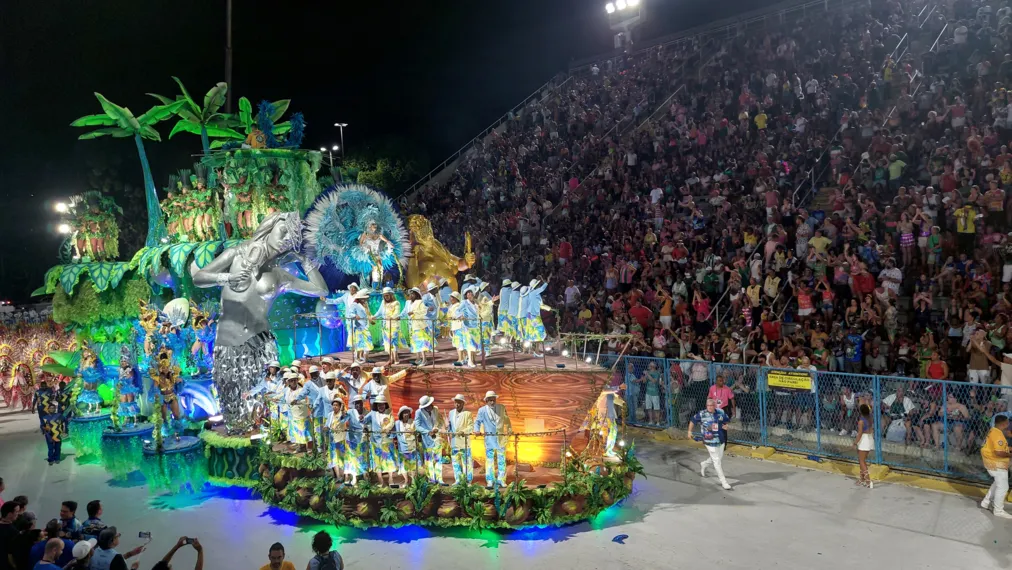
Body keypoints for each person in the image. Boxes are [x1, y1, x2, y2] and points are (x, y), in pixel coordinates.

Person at [687, 398, 732, 490]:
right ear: (706, 406)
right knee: (717, 461)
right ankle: (724, 482)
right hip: (709, 440)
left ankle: (704, 464)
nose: (710, 407)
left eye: (712, 405)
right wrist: (689, 431)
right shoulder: (702, 414)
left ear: (714, 406)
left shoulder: (720, 412)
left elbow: (726, 421)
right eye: (708, 406)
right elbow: (692, 421)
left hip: (720, 439)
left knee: (718, 458)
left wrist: (726, 426)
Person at [474, 391, 512, 488]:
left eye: (493, 399)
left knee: (501, 460)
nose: (492, 402)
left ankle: (501, 480)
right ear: (486, 400)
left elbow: (507, 420)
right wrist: (477, 430)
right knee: (489, 461)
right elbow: (477, 422)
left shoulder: (501, 407)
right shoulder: (482, 410)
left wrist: (509, 430)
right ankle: (490, 480)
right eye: (490, 400)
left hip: (501, 439)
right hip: (489, 439)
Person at [980, 415, 1012, 518]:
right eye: (1008, 422)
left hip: (992, 462)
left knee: (997, 483)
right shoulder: (998, 435)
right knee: (1003, 487)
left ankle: (986, 502)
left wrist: (1009, 449)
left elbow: (1001, 448)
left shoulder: (993, 431)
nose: (1009, 424)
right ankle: (998, 510)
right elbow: (999, 452)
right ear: (1004, 424)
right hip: (996, 463)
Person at [361, 394, 397, 486]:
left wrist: (386, 429)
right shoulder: (372, 413)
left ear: (385, 404)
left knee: (389, 460)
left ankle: (390, 479)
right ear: (376, 405)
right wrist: (362, 418)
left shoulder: (389, 413)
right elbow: (364, 420)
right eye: (379, 404)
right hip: (375, 442)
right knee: (377, 461)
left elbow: (392, 423)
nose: (381, 406)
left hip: (387, 441)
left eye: (383, 404)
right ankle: (381, 480)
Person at [414, 395, 444, 484]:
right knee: (429, 460)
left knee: (438, 459)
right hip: (427, 440)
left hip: (437, 438)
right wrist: (427, 431)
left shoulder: (435, 409)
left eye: (430, 405)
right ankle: (432, 479)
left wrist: (437, 428)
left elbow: (440, 421)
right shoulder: (419, 412)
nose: (429, 407)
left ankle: (439, 479)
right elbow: (417, 426)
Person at [446, 394, 475, 485]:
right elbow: (450, 427)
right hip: (454, 442)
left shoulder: (468, 413)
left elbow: (471, 427)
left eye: (459, 402)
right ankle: (458, 479)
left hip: (464, 443)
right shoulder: (451, 413)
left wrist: (463, 431)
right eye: (456, 402)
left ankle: (468, 481)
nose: (457, 404)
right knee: (455, 462)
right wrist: (448, 428)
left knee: (467, 463)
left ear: (463, 403)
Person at [374, 287, 403, 366]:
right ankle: (391, 358)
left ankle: (396, 357)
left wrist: (391, 317)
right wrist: (374, 317)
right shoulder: (383, 303)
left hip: (393, 325)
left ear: (391, 295)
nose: (386, 297)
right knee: (387, 343)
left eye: (387, 295)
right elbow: (379, 312)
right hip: (385, 325)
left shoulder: (396, 303)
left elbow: (397, 313)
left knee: (393, 342)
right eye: (384, 295)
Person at [394, 406, 418, 486]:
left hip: (412, 447)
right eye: (404, 412)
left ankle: (414, 480)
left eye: (408, 412)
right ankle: (406, 480)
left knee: (412, 465)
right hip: (402, 448)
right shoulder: (397, 423)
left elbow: (417, 432)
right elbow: (393, 433)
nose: (406, 414)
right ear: (401, 414)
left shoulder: (413, 422)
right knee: (403, 466)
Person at [854, 403, 875, 488]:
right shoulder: (870, 418)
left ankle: (868, 481)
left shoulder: (861, 421)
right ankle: (862, 479)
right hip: (870, 439)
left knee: (861, 461)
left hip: (864, 440)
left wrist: (855, 443)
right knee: (862, 460)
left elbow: (859, 434)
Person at [0, 502, 17, 570]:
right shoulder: (13, 532)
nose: (18, 514)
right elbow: (11, 554)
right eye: (17, 511)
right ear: (10, 514)